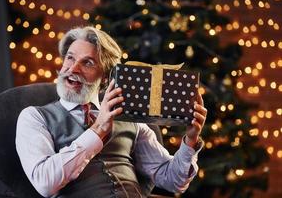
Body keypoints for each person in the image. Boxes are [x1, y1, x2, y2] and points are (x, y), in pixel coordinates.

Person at [16, 26, 207, 198]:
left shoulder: (130, 118)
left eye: (87, 63)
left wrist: (190, 140)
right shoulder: (34, 117)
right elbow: (45, 183)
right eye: (70, 58)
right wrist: (98, 129)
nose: (73, 68)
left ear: (106, 78)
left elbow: (172, 181)